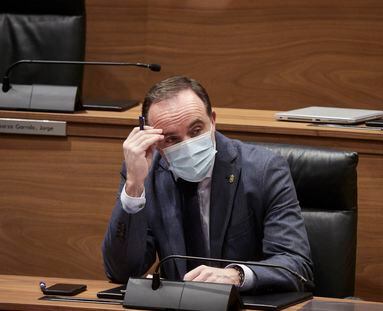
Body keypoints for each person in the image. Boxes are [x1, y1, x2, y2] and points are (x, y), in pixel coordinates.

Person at [102, 76, 313, 293]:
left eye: (196, 131)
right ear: (154, 142)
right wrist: (134, 187)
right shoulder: (145, 173)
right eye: (172, 140)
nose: (188, 145)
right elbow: (121, 271)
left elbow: (296, 266)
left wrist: (236, 275)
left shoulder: (264, 170)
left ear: (212, 120)